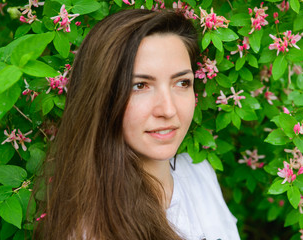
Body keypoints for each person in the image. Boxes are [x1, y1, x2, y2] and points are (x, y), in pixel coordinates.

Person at [35, 9, 240, 240]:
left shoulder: (200, 173)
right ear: (103, 98)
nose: (168, 110)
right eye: (140, 86)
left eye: (182, 82)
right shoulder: (90, 230)